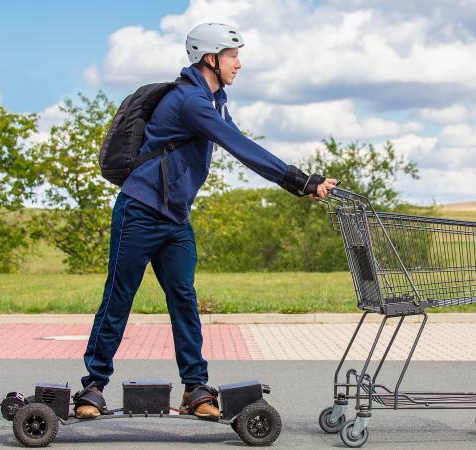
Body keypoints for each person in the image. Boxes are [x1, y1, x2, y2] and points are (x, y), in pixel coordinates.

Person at [73, 22, 338, 419]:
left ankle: (195, 388)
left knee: (184, 298)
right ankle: (93, 388)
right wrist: (300, 181)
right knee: (119, 296)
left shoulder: (213, 103)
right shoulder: (189, 102)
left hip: (175, 219)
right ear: (210, 59)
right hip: (139, 210)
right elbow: (240, 147)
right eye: (233, 56)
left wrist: (299, 182)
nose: (240, 64)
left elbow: (238, 140)